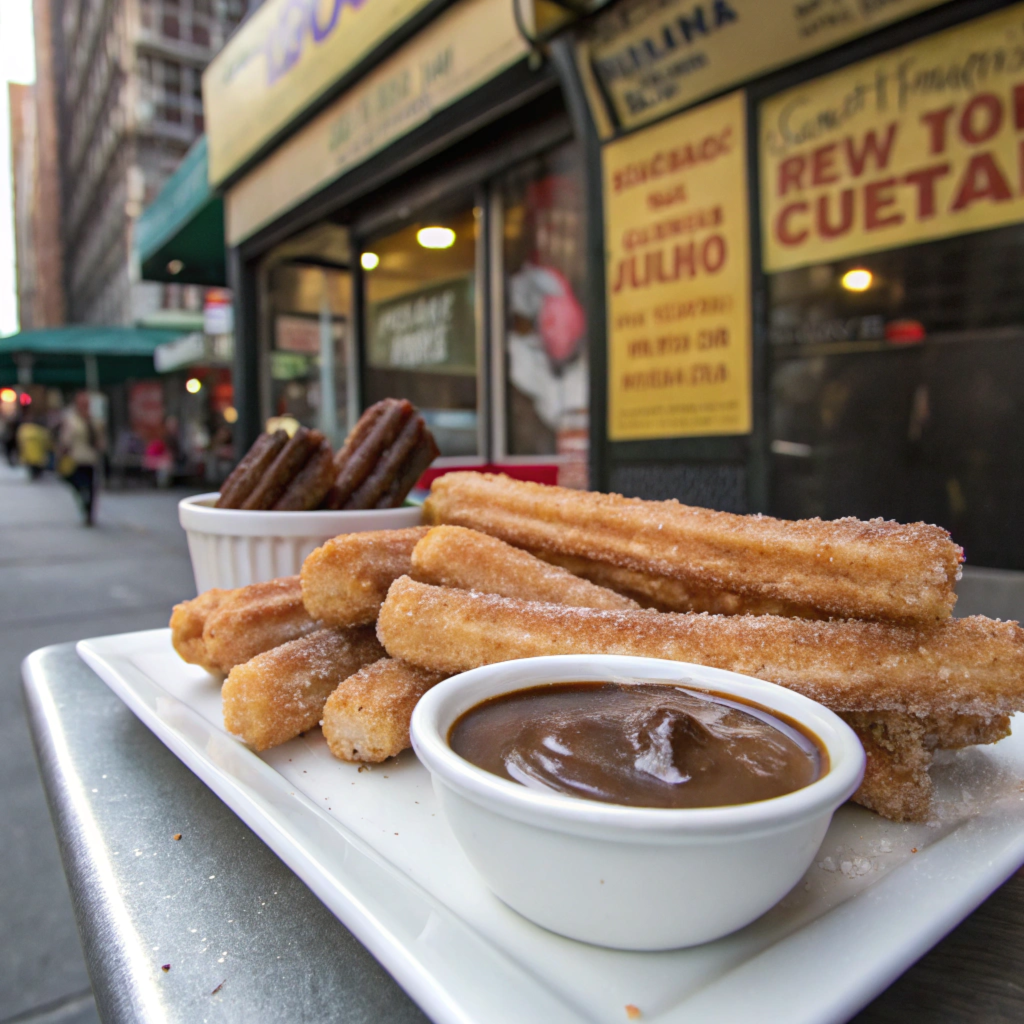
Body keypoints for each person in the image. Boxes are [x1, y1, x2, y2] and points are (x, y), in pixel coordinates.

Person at [59, 391, 104, 525]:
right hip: (76, 458)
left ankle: (89, 514)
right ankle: (84, 505)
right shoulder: (72, 420)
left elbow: (100, 440)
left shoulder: (94, 420)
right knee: (78, 484)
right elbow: (65, 439)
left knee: (90, 487)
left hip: (90, 459)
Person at [16, 413, 51, 480]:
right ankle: (36, 475)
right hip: (38, 452)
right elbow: (46, 441)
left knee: (32, 466)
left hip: (29, 452)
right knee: (36, 465)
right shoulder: (41, 431)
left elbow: (20, 440)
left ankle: (34, 475)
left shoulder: (24, 429)